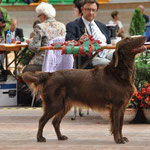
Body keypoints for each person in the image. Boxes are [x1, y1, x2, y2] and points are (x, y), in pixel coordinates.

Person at [66, 0, 111, 68]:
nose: (91, 12)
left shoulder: (102, 25)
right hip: (90, 57)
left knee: (121, 58)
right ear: (82, 9)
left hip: (106, 52)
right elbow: (68, 42)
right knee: (109, 65)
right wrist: (79, 41)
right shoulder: (73, 25)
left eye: (93, 10)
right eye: (88, 9)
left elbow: (109, 42)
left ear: (97, 11)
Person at [24, 2, 66, 73]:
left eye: (38, 16)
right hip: (59, 61)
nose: (38, 18)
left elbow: (34, 47)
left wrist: (30, 42)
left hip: (43, 61)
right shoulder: (62, 26)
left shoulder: (40, 26)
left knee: (25, 72)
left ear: (43, 16)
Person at [0, 0, 11, 81]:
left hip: (1, 38)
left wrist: (3, 25)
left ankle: (3, 72)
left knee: (2, 58)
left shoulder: (3, 11)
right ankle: (3, 71)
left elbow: (9, 24)